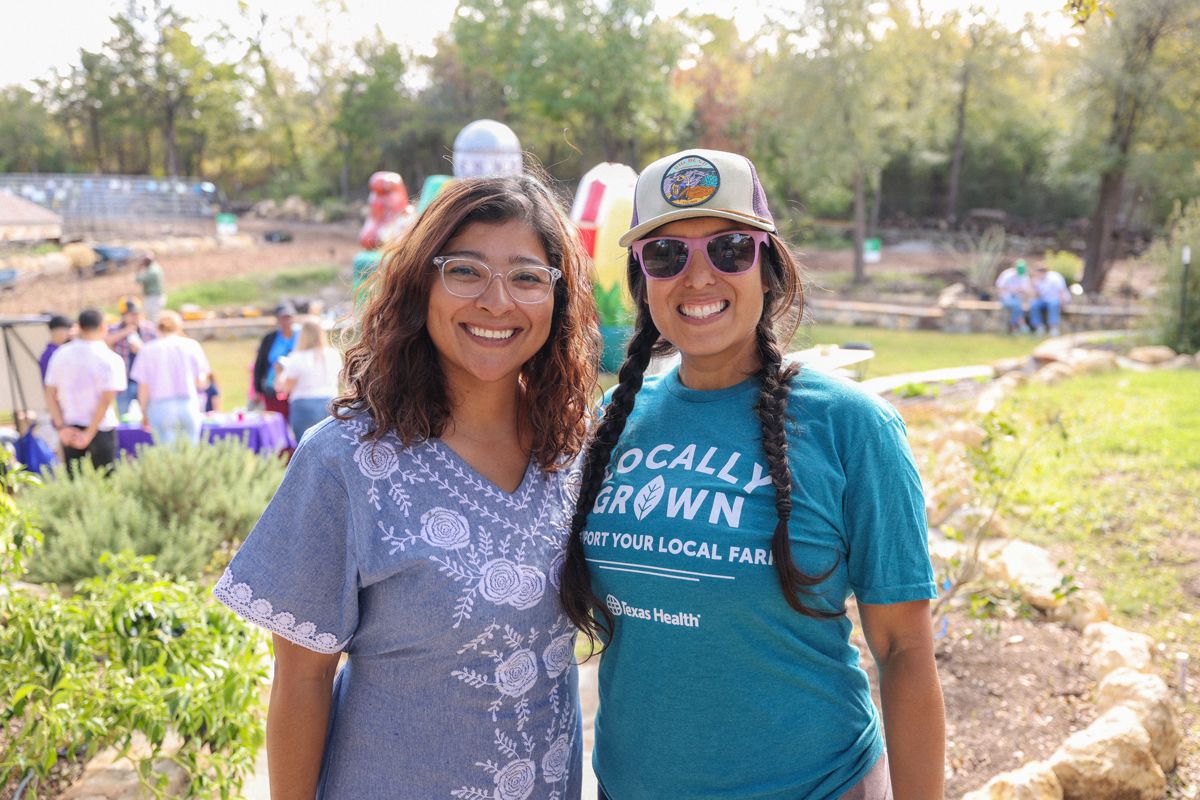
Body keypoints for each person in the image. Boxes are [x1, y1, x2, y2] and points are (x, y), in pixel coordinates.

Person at [559, 149, 945, 800]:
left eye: (730, 249)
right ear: (643, 279)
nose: (698, 277)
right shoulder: (611, 424)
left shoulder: (853, 428)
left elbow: (905, 651)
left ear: (767, 266)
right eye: (666, 255)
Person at [214, 174, 601, 798]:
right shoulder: (346, 462)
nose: (497, 302)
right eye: (466, 271)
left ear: (559, 299)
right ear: (421, 283)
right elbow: (302, 682)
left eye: (527, 277)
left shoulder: (575, 448)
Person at [44, 308, 127, 476]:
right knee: (108, 481)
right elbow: (106, 400)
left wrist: (61, 427)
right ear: (103, 327)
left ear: (79, 327)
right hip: (101, 426)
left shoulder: (60, 354)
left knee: (75, 480)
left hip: (70, 426)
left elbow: (50, 394)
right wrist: (89, 433)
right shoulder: (110, 359)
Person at [130, 310, 211, 445]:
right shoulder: (192, 345)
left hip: (160, 406)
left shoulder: (148, 350)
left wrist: (144, 411)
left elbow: (143, 387)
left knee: (166, 455)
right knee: (191, 453)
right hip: (188, 404)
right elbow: (201, 381)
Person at [275, 316, 343, 441]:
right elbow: (339, 378)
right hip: (329, 400)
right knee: (328, 443)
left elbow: (287, 386)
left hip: (304, 403)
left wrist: (280, 374)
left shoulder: (297, 357)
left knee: (304, 445)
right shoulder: (333, 354)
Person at [106, 297, 157, 416]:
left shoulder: (149, 328)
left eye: (137, 313)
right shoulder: (114, 329)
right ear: (123, 316)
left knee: (147, 415)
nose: (135, 317)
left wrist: (141, 350)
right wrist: (125, 332)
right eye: (132, 314)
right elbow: (105, 341)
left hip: (144, 382)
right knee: (125, 415)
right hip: (124, 381)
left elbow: (156, 352)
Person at [252, 302, 298, 421]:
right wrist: (257, 390)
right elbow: (260, 364)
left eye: (288, 317)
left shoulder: (300, 337)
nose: (286, 321)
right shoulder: (270, 338)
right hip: (273, 388)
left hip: (295, 387)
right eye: (283, 318)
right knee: (276, 420)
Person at [1030, 265, 1070, 336]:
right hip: (1044, 300)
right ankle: (1039, 326)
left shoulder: (1055, 277)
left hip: (1056, 298)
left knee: (1053, 304)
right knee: (1034, 304)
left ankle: (1053, 327)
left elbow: (1061, 291)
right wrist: (1033, 286)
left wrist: (1064, 303)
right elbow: (1037, 295)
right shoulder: (1037, 280)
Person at [995, 259, 1032, 334]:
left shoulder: (1025, 276)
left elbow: (1027, 291)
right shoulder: (1006, 275)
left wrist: (1021, 291)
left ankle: (1015, 325)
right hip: (1005, 298)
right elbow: (999, 289)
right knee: (1017, 305)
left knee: (1017, 304)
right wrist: (1011, 290)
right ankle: (1019, 324)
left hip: (1018, 299)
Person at [39, 314, 73, 381]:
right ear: (60, 332)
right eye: (68, 330)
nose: (70, 334)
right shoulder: (52, 353)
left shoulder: (56, 351)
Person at [135, 251, 167, 321]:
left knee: (153, 319)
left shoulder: (152, 271)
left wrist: (139, 269)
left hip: (154, 298)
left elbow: (139, 280)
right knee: (152, 318)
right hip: (154, 297)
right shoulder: (153, 268)